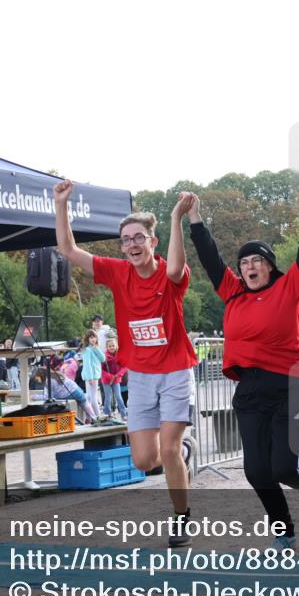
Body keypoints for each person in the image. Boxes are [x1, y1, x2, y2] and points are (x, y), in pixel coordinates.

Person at [185, 185, 299, 550]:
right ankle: (284, 531)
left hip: (290, 385)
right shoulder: (232, 292)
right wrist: (195, 219)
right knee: (256, 471)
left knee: (285, 468)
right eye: (244, 263)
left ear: (269, 266)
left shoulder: (288, 288)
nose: (249, 267)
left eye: (256, 261)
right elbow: (209, 258)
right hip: (249, 390)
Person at [53, 179, 199, 548]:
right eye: (126, 240)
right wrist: (61, 205)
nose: (132, 245)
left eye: (139, 238)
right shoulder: (118, 273)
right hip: (143, 377)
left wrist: (176, 219)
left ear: (153, 242)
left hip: (175, 372)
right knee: (143, 459)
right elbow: (68, 249)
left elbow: (177, 267)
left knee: (166, 449)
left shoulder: (169, 275)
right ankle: (183, 452)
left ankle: (181, 518)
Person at [80, 328, 106, 420]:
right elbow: (87, 365)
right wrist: (90, 377)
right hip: (91, 376)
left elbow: (103, 359)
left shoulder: (95, 348)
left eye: (94, 337)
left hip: (94, 376)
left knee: (90, 397)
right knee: (93, 397)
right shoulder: (87, 350)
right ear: (87, 339)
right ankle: (97, 416)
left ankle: (90, 417)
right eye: (91, 337)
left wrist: (97, 349)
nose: (93, 339)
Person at [101, 337, 128, 421]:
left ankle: (124, 414)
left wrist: (118, 374)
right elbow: (101, 370)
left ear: (116, 346)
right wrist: (109, 376)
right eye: (110, 346)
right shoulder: (104, 356)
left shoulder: (120, 355)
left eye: (113, 346)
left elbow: (124, 366)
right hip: (106, 381)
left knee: (119, 397)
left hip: (116, 379)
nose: (112, 347)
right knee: (108, 398)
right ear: (107, 347)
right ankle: (107, 414)